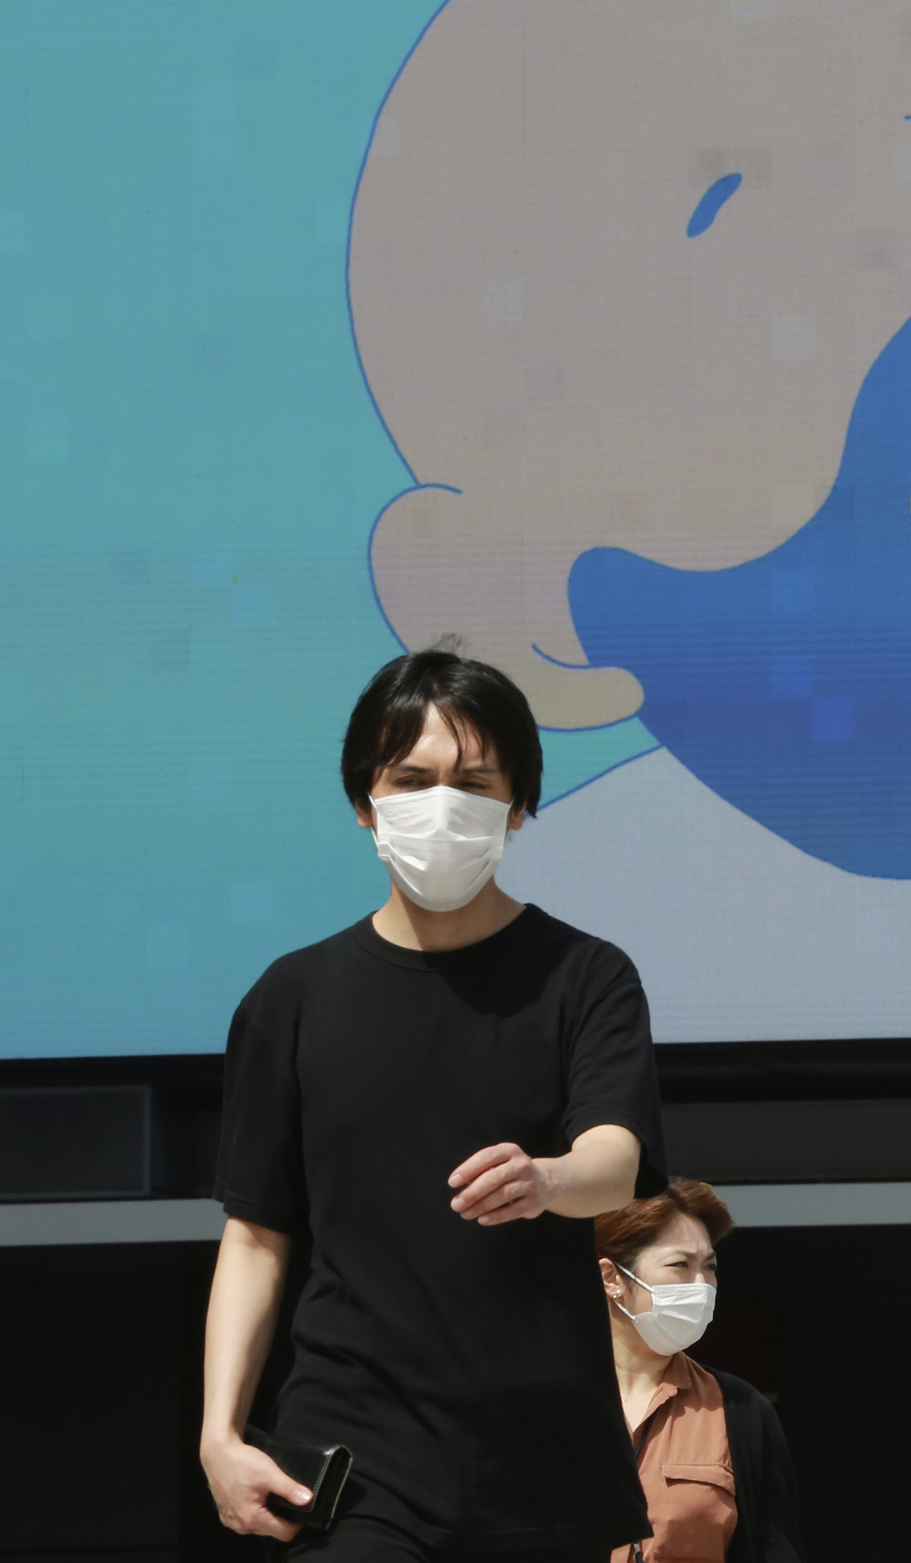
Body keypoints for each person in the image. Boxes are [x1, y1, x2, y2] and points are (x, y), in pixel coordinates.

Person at [198, 647, 670, 1559]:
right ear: (365, 801)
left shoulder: (585, 978)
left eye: (474, 780)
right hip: (354, 1445)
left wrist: (546, 1178)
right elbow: (256, 1233)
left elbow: (615, 1162)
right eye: (410, 779)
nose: (440, 805)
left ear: (519, 805)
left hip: (539, 1451)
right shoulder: (290, 1000)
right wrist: (221, 1434)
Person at [592, 1178, 807, 1563]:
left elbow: (775, 1546)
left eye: (709, 1267)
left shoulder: (739, 1409)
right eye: (681, 1265)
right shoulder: (545, 1405)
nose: (702, 1285)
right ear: (612, 1279)